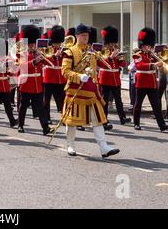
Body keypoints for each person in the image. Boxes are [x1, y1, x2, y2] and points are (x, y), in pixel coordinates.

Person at [61, 24, 120, 158]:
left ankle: (104, 147)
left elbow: (102, 64)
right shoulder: (69, 52)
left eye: (87, 36)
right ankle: (70, 145)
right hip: (75, 90)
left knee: (97, 119)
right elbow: (65, 71)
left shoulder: (92, 51)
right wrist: (79, 76)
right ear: (77, 36)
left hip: (91, 91)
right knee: (72, 121)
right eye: (83, 35)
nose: (85, 38)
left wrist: (111, 57)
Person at [133, 28, 168, 132]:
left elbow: (160, 64)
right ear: (142, 45)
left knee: (156, 105)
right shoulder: (137, 55)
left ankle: (162, 125)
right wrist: (154, 65)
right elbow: (139, 66)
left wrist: (161, 63)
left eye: (150, 46)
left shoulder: (152, 55)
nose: (149, 48)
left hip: (152, 83)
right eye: (147, 46)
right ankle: (136, 123)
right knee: (138, 104)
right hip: (141, 83)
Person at [16, 25, 53, 136]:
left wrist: (46, 57)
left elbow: (48, 63)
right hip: (26, 84)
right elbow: (22, 66)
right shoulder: (21, 53)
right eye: (30, 44)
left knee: (41, 107)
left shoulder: (37, 53)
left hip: (37, 85)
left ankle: (45, 127)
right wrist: (34, 61)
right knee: (23, 107)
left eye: (33, 44)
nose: (32, 46)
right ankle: (20, 125)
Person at [98, 26, 132, 125]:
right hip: (105, 79)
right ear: (107, 43)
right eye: (111, 43)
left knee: (118, 100)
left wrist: (120, 58)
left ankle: (123, 118)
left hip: (115, 80)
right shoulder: (102, 51)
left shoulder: (116, 51)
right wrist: (110, 57)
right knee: (104, 100)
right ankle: (104, 119)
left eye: (114, 43)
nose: (113, 45)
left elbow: (123, 65)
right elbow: (100, 63)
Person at [42, 26, 67, 124]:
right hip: (49, 78)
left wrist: (63, 55)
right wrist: (54, 56)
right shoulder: (47, 49)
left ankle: (64, 118)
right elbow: (44, 61)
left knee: (62, 100)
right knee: (46, 101)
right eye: (56, 42)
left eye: (59, 42)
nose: (58, 44)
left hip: (60, 78)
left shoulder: (63, 50)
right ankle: (47, 117)